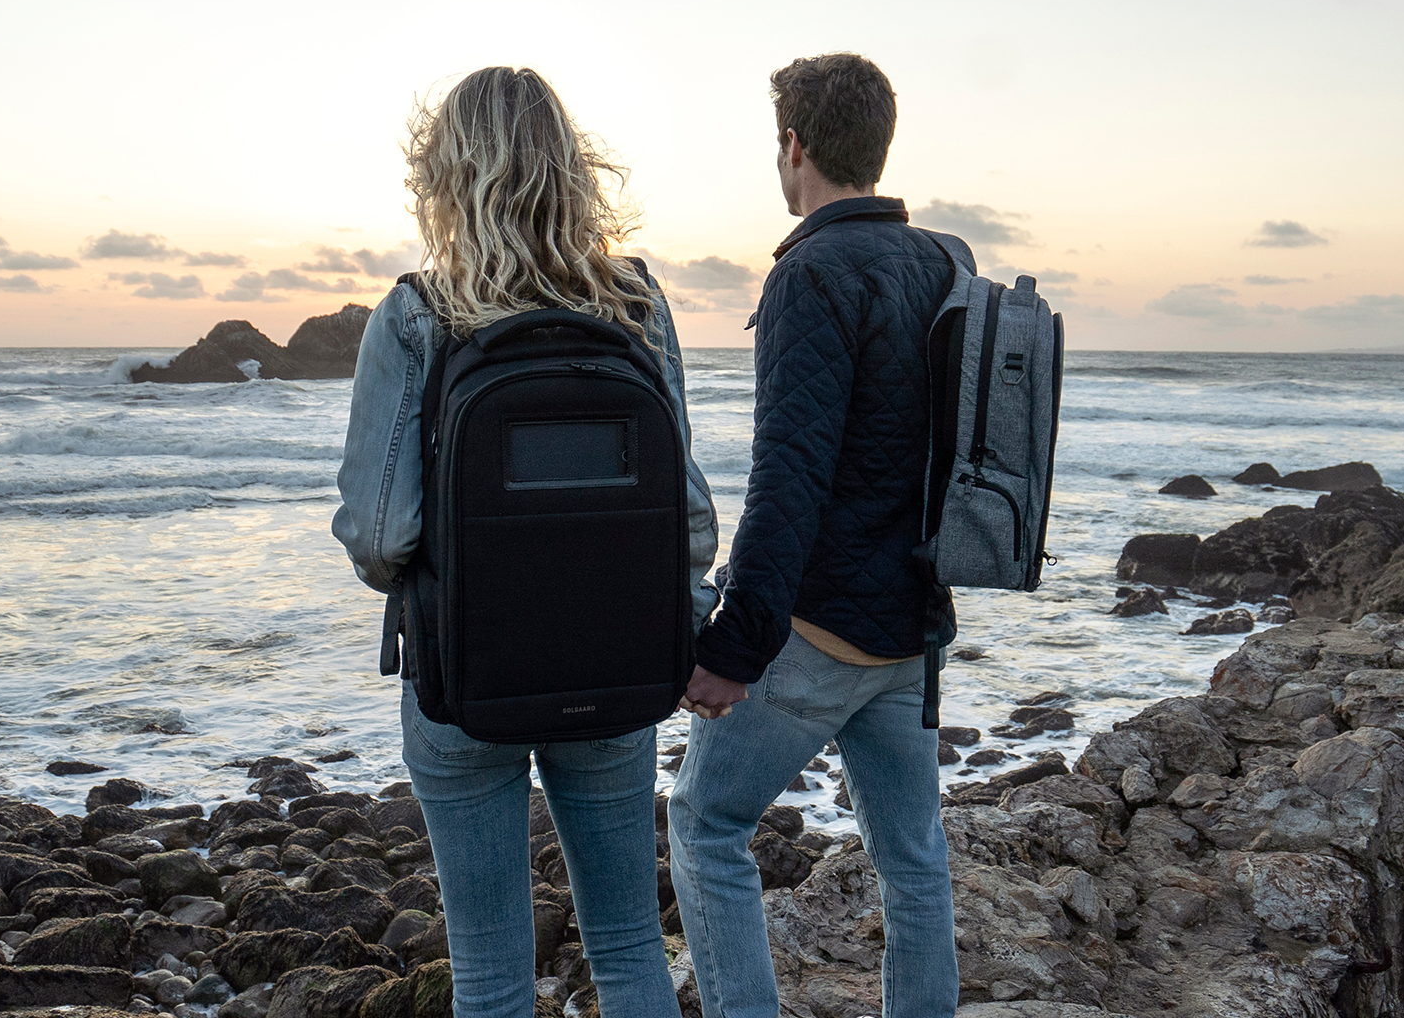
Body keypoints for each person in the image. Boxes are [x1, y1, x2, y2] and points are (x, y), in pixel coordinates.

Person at [334, 66, 719, 1018]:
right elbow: (692, 522)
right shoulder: (637, 303)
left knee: (492, 976)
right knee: (630, 947)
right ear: (572, 169)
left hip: (464, 677)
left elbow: (382, 538)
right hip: (619, 667)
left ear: (445, 175)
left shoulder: (418, 315)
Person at [669, 53, 963, 1017]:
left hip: (823, 632)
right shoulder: (942, 267)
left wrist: (735, 647)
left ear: (794, 147)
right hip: (912, 627)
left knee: (705, 825)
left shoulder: (811, 274)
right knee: (915, 863)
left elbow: (787, 482)